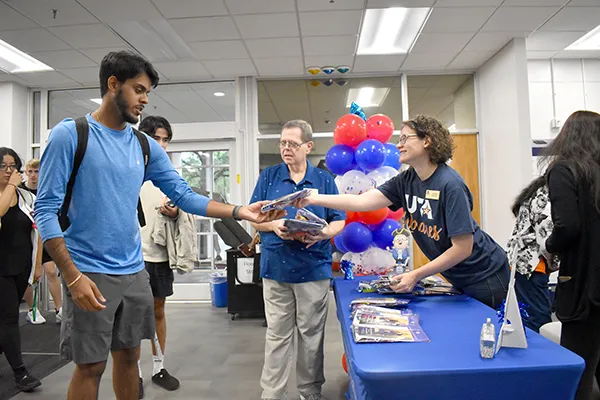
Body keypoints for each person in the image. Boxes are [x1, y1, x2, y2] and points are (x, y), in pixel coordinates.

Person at [34, 50, 281, 400]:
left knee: (130, 356)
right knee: (89, 366)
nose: (145, 100)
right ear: (112, 84)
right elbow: (44, 210)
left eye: (148, 91)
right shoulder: (71, 135)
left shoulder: (144, 145)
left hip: (134, 271)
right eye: (138, 89)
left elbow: (184, 195)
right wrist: (72, 277)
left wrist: (241, 211)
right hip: (87, 270)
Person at [297, 115, 510, 309]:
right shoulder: (408, 179)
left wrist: (416, 274)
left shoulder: (450, 184)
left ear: (427, 141)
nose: (399, 145)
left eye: (406, 138)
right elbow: (361, 201)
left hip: (486, 275)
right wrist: (313, 198)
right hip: (459, 276)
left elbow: (462, 248)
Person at [250, 119, 346, 400]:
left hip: (313, 268)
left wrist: (322, 233)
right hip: (275, 267)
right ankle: (272, 393)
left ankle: (309, 391)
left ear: (308, 146)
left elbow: (339, 219)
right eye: (282, 143)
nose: (286, 148)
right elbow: (256, 217)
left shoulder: (324, 180)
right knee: (277, 336)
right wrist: (273, 226)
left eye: (292, 143)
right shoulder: (268, 176)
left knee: (311, 337)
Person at [541, 110, 600, 400]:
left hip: (584, 285)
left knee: (579, 366)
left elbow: (568, 226)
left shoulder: (565, 169)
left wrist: (550, 247)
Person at [136, 115, 181, 398]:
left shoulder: (168, 175)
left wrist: (174, 211)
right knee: (131, 317)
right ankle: (134, 373)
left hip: (159, 255)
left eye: (165, 140)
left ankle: (158, 367)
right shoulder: (131, 171)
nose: (162, 145)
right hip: (132, 257)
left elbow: (182, 207)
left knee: (158, 312)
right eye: (157, 138)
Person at [0, 148, 43, 392]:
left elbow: (36, 231)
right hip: (1, 269)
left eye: (13, 166)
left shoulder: (27, 198)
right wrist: (10, 187)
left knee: (4, 319)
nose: (9, 171)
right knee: (8, 319)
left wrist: (36, 265)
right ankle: (20, 372)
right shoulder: (8, 193)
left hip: (20, 267)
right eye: (4, 166)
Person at [507, 176, 557, 332]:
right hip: (533, 266)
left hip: (520, 262)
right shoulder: (544, 196)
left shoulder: (535, 191)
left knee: (527, 316)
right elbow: (546, 241)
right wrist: (554, 263)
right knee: (540, 320)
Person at [20, 158, 63, 324]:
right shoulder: (20, 191)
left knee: (51, 271)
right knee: (30, 276)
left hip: (44, 236)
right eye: (30, 172)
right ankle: (32, 308)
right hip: (28, 238)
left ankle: (59, 309)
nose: (33, 175)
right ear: (25, 173)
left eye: (36, 172)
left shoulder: (46, 190)